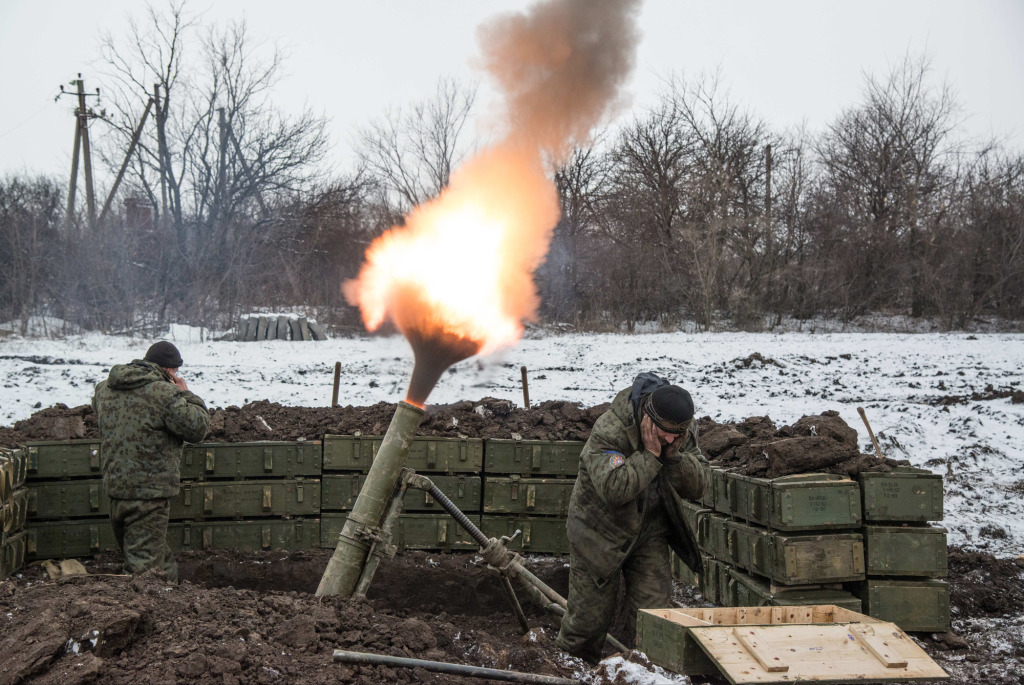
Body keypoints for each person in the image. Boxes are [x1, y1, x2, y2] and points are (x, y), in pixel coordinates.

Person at [556, 372, 709, 664]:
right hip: (598, 533)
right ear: (647, 417)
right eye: (664, 433)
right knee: (586, 626)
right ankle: (570, 670)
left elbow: (700, 485)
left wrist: (674, 457)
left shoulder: (679, 431)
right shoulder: (610, 430)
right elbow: (615, 489)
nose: (670, 439)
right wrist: (651, 455)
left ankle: (650, 673)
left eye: (677, 435)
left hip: (649, 531)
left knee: (655, 619)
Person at [91, 341, 210, 582]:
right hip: (148, 495)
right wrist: (186, 393)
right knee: (143, 571)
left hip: (116, 491)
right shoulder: (165, 394)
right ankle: (135, 613)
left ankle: (171, 599)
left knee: (155, 559)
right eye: (175, 373)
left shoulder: (104, 389)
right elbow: (197, 428)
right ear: (169, 371)